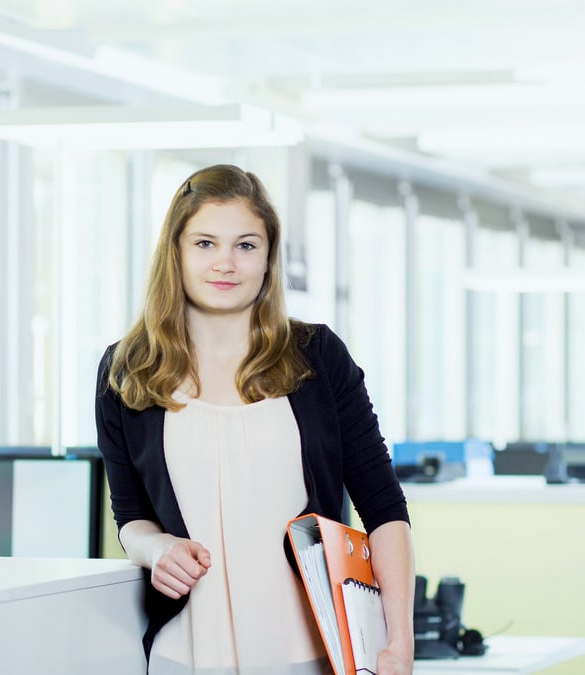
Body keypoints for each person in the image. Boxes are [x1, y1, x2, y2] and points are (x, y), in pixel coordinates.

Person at [95, 163, 415, 675]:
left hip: (309, 651)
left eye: (245, 245)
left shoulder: (318, 357)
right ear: (175, 252)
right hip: (185, 653)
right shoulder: (128, 369)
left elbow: (384, 510)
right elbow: (130, 517)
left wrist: (399, 642)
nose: (225, 263)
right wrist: (157, 549)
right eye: (204, 244)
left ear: (268, 258)